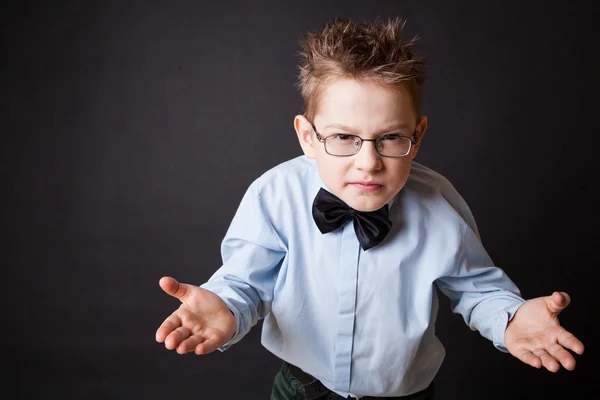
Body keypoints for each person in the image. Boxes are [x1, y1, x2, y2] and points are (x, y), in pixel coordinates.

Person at [155, 17, 584, 400]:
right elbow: (247, 283)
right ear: (307, 136)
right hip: (300, 390)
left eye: (391, 138)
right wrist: (226, 307)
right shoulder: (275, 195)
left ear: (418, 134)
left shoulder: (438, 203)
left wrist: (511, 319)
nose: (369, 162)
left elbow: (477, 290)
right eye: (343, 137)